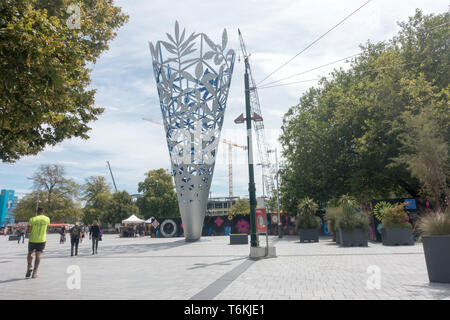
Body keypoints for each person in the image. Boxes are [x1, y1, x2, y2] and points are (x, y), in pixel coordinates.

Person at [26, 207, 50, 278]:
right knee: (38, 255)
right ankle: (35, 272)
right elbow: (46, 229)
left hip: (32, 239)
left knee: (30, 253)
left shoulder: (32, 219)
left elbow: (29, 230)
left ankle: (29, 266)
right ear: (43, 211)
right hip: (42, 240)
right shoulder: (47, 219)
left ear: (37, 211)